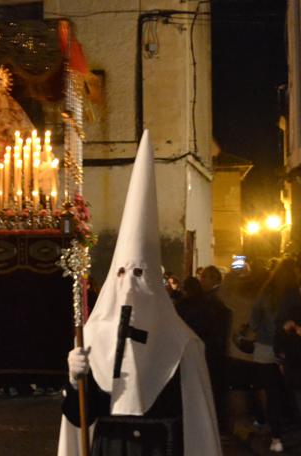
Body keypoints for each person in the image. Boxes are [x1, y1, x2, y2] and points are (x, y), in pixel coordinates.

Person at [58, 131, 221, 456]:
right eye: (121, 273)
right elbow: (81, 417)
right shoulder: (92, 335)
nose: (129, 284)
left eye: (138, 274)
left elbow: (195, 420)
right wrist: (74, 381)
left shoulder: (182, 343)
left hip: (158, 448)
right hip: (110, 448)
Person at [249, 258, 299, 453]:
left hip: (264, 347)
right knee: (290, 390)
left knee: (271, 393)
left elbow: (253, 320)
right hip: (288, 350)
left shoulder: (266, 292)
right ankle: (288, 427)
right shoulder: (294, 295)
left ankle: (275, 435)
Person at [199, 265, 232, 432]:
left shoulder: (214, 299)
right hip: (218, 348)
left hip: (214, 349)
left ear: (212, 279)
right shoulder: (216, 297)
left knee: (216, 388)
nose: (201, 281)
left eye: (204, 277)